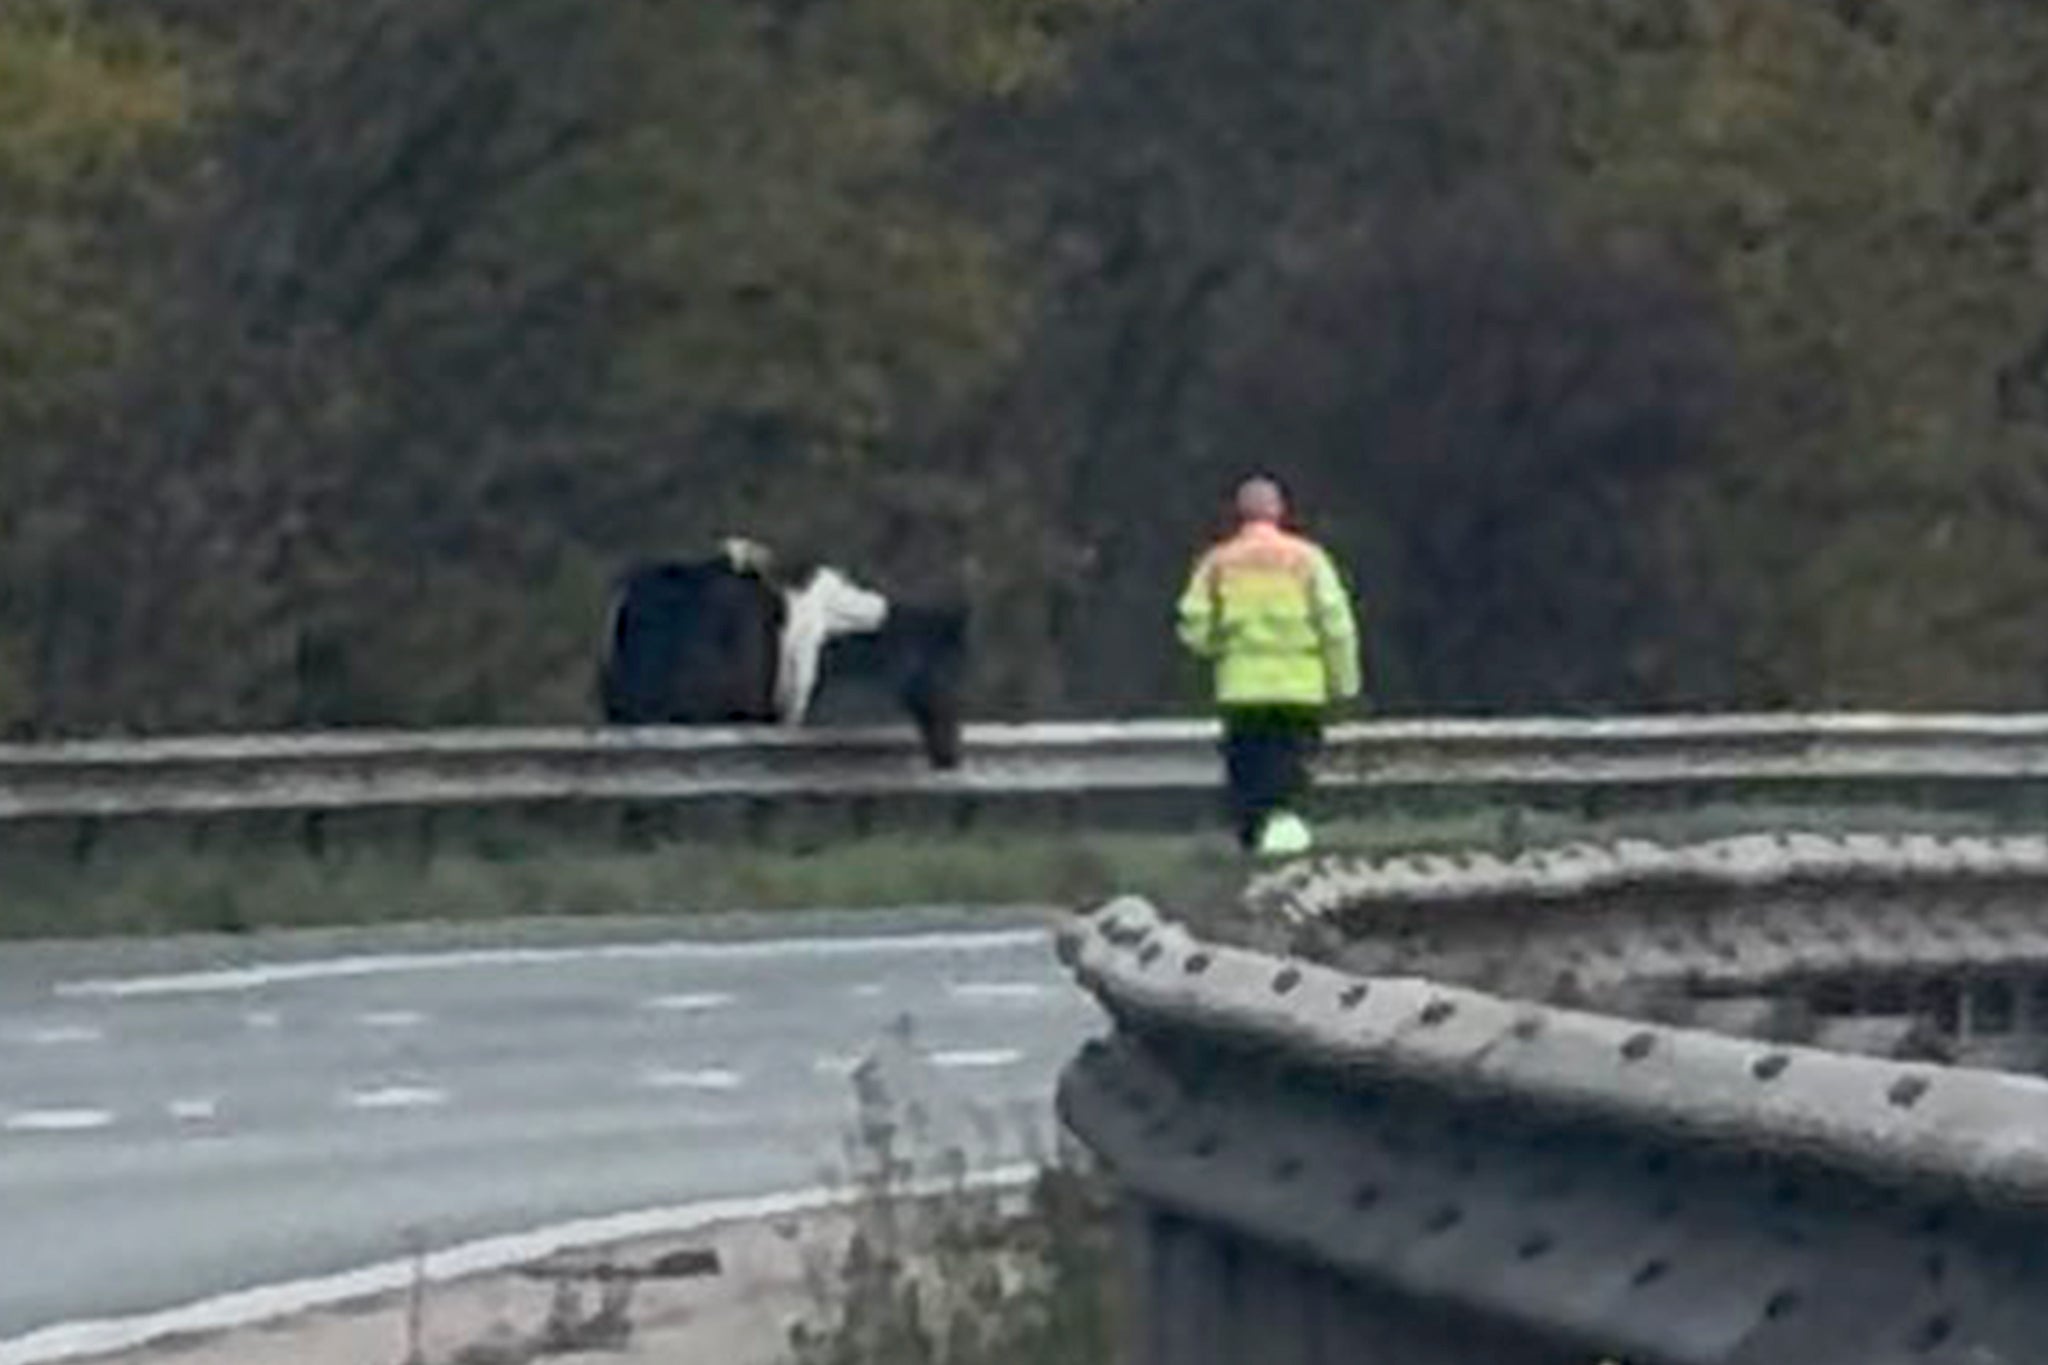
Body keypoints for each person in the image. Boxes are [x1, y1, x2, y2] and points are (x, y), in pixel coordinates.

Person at [1175, 476, 1362, 855]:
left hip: (1243, 690)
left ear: (1239, 514)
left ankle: (1253, 852)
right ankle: (1287, 846)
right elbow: (1336, 625)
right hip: (1300, 690)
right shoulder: (1308, 559)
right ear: (1279, 512)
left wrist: (1220, 650)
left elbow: (1194, 625)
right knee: (1290, 777)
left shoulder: (1219, 561)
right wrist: (1345, 684)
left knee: (1250, 779)